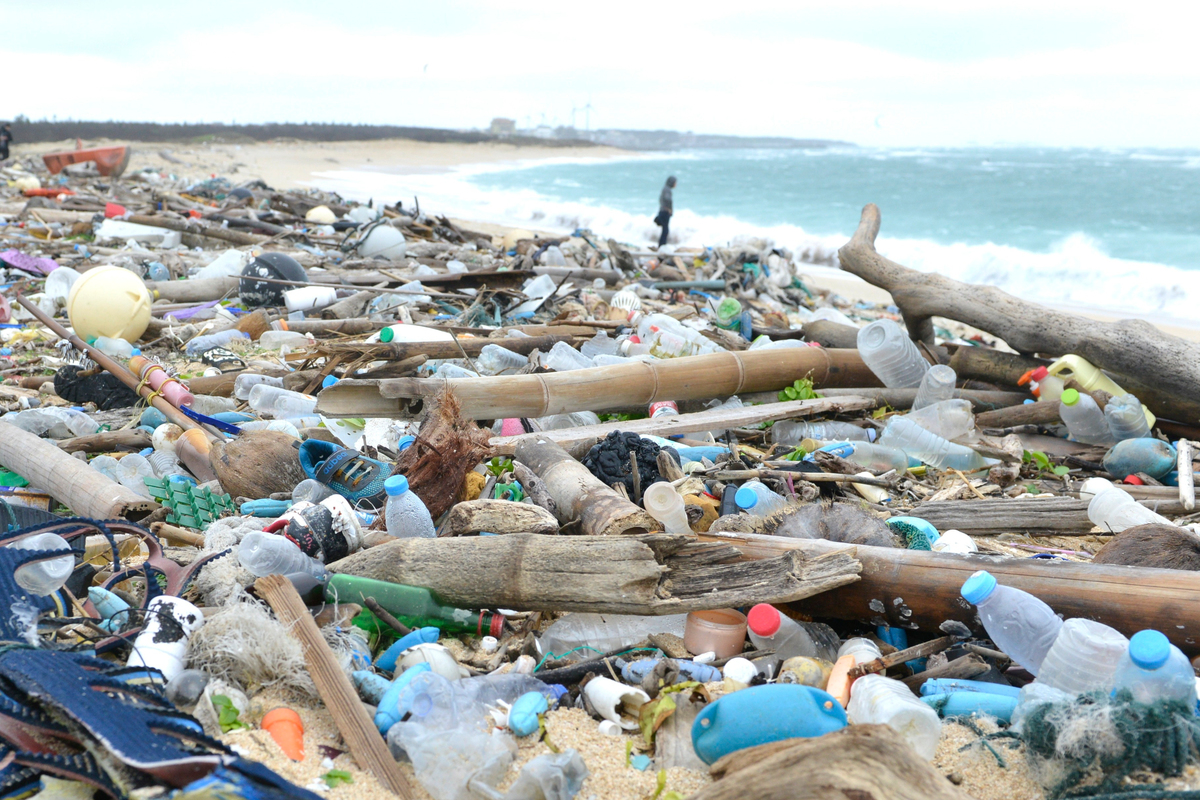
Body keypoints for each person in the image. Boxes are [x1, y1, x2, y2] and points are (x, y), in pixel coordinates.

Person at [654, 175, 676, 247]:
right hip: (665, 211)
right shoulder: (667, 190)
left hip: (662, 210)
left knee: (665, 229)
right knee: (665, 230)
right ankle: (662, 245)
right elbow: (668, 199)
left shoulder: (665, 189)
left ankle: (662, 245)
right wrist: (669, 209)